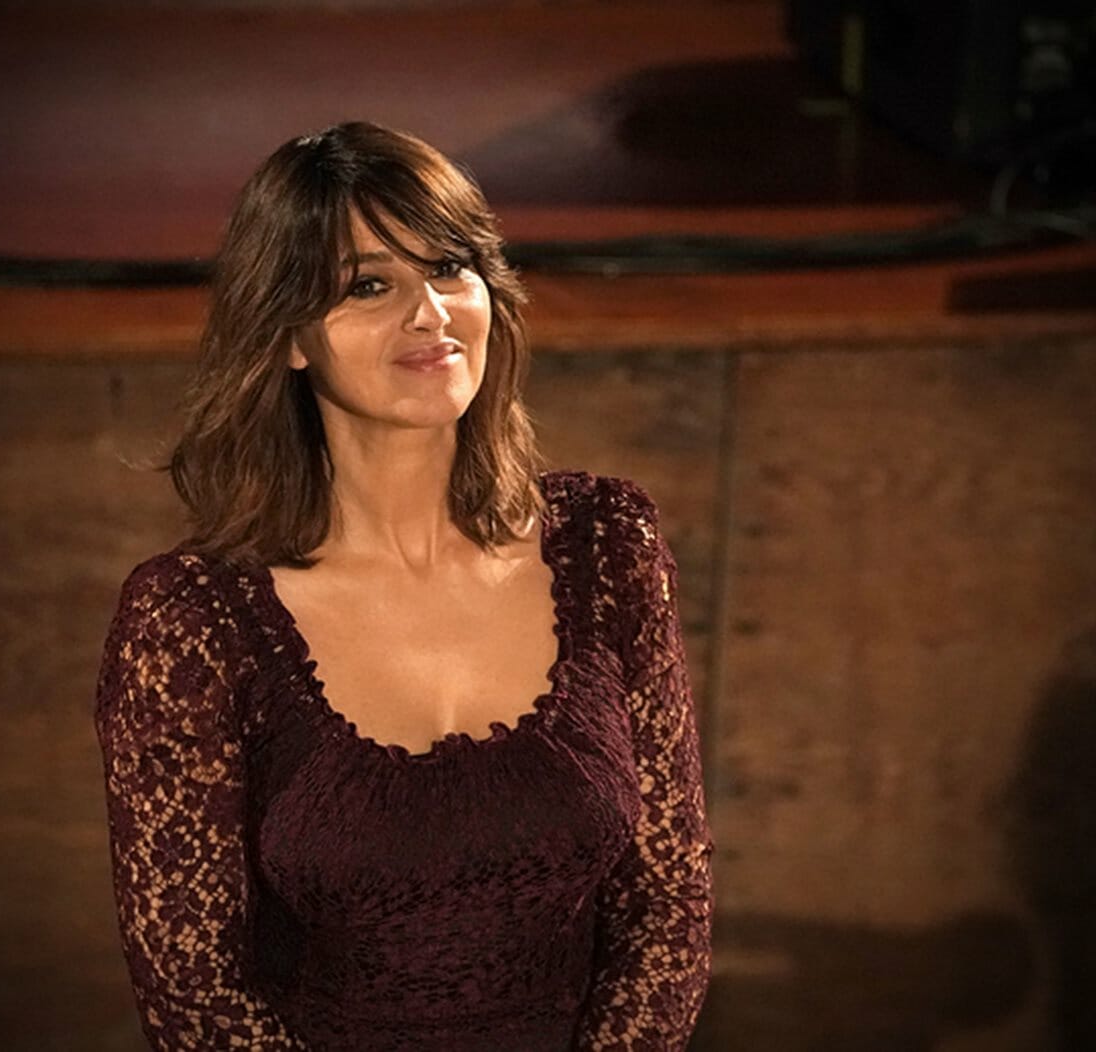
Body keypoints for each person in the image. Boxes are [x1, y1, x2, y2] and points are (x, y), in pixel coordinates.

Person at [95, 121, 713, 1052]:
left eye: (450, 268)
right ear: (289, 335)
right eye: (369, 286)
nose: (430, 313)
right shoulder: (191, 621)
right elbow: (195, 990)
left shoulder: (605, 543)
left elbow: (667, 907)